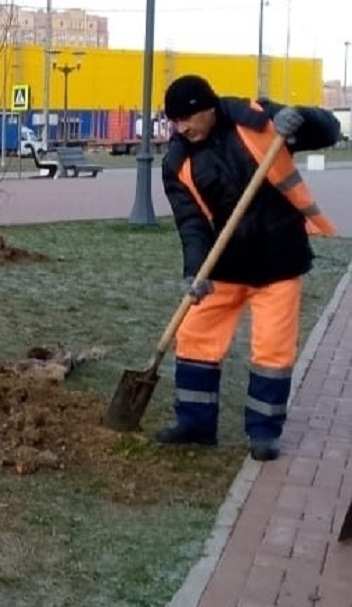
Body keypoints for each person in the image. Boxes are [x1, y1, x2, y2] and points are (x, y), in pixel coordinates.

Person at [158, 74, 341, 462]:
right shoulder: (177, 161)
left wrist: (302, 118)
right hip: (223, 266)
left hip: (279, 259)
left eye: (185, 119)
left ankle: (263, 432)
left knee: (273, 350)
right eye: (174, 122)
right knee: (194, 338)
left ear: (206, 109)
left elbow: (330, 129)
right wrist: (195, 271)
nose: (181, 128)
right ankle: (195, 423)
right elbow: (190, 223)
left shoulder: (258, 119)